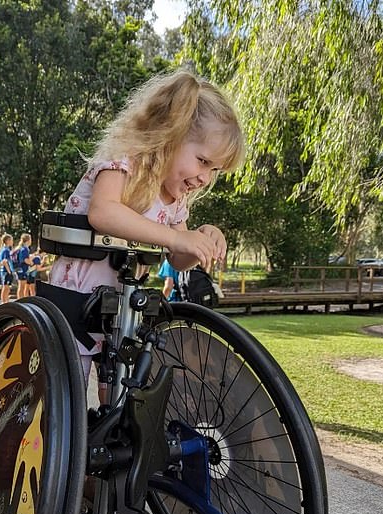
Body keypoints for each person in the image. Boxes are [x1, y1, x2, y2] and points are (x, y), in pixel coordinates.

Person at [49, 68, 245, 383]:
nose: (206, 178)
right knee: (69, 389)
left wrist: (201, 238)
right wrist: (175, 238)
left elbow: (178, 258)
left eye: (215, 170)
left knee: (122, 393)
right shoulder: (124, 161)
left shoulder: (174, 199)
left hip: (124, 309)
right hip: (77, 300)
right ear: (171, 134)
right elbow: (103, 212)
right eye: (203, 162)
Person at [12, 233, 33, 300]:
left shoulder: (20, 248)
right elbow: (25, 259)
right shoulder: (25, 249)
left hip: (19, 269)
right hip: (23, 269)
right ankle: (20, 299)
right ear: (28, 240)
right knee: (22, 286)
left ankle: (20, 299)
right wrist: (31, 263)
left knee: (21, 286)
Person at [0, 233, 14, 305]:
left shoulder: (7, 249)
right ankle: (3, 302)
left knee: (7, 288)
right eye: (11, 240)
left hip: (7, 271)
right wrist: (9, 271)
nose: (12, 242)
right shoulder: (5, 250)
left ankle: (6, 301)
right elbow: (5, 261)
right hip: (6, 271)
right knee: (5, 287)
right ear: (7, 241)